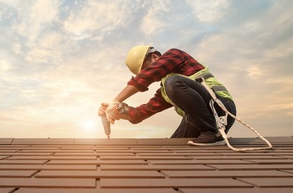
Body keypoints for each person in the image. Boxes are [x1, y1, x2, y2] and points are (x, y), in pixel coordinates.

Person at [98, 46, 237, 146]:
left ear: (155, 57)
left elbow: (149, 75)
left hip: (220, 108)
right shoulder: (166, 90)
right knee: (173, 147)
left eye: (147, 69)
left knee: (173, 82)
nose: (152, 75)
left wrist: (116, 100)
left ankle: (212, 133)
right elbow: (141, 113)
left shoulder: (175, 55)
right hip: (198, 121)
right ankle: (209, 133)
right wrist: (119, 110)